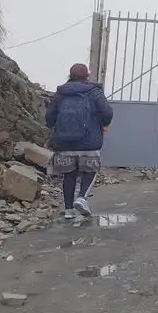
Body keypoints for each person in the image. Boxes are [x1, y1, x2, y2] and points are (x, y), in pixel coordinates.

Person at [45, 63, 114, 219]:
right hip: (89, 141)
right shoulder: (94, 91)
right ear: (87, 76)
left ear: (70, 75)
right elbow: (107, 112)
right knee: (89, 170)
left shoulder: (61, 93)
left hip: (64, 142)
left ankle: (69, 210)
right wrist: (103, 124)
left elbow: (49, 117)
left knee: (69, 175)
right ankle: (82, 198)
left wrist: (56, 128)